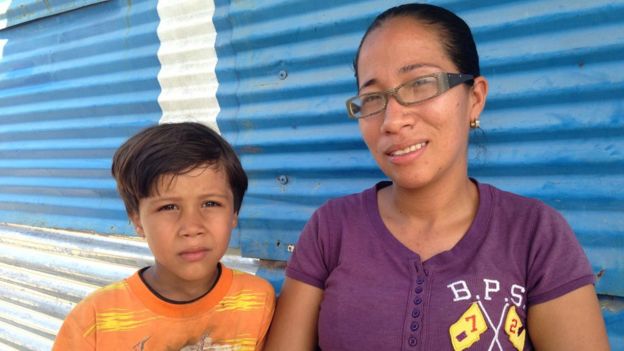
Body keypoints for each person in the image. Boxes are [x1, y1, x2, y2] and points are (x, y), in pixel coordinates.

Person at [265, 3, 609, 351]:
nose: (392, 120)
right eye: (372, 98)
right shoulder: (331, 229)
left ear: (474, 98)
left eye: (420, 84)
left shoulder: (535, 235)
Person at [53, 122, 275, 350]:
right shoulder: (94, 320)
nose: (191, 227)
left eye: (211, 203)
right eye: (169, 207)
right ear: (137, 220)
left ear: (234, 213)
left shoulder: (257, 300)